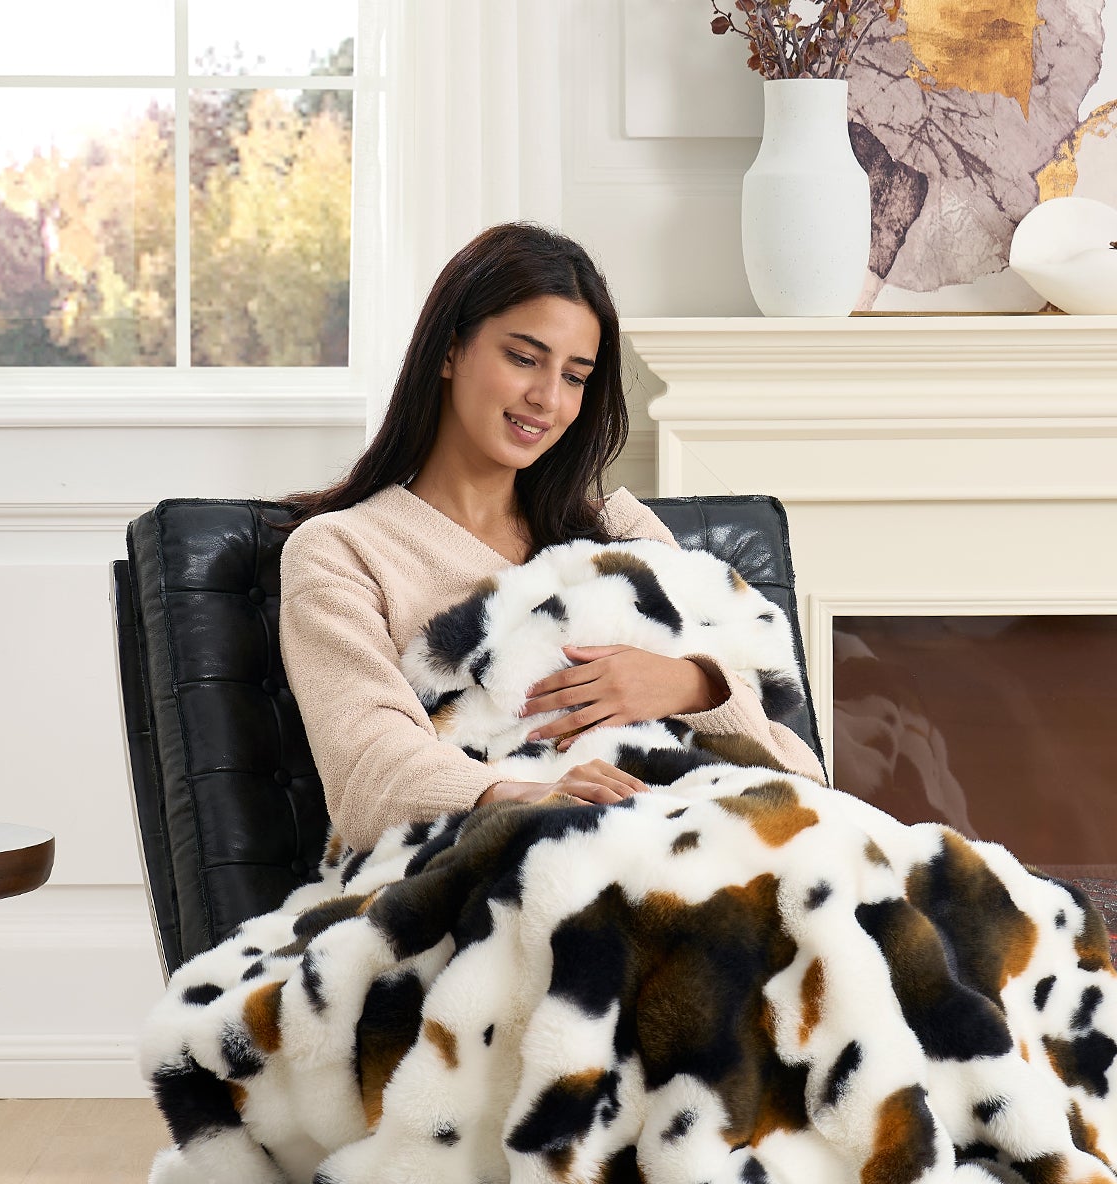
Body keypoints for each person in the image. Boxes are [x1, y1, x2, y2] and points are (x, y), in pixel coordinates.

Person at [278, 222, 825, 854]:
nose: (547, 398)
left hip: (695, 836)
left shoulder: (620, 531)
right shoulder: (342, 553)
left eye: (575, 375)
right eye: (523, 358)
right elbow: (367, 769)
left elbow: (799, 766)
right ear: (451, 351)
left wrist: (688, 684)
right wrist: (521, 796)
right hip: (513, 870)